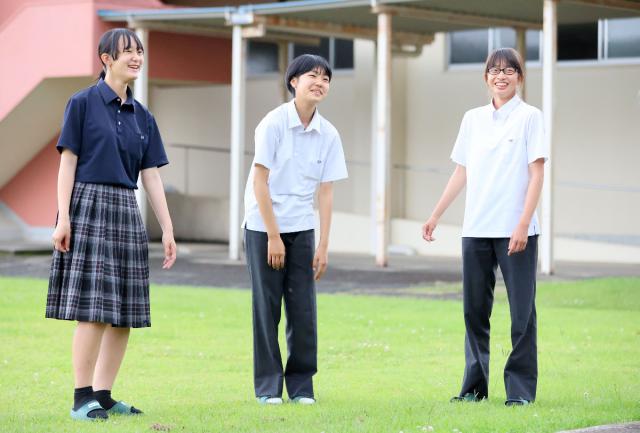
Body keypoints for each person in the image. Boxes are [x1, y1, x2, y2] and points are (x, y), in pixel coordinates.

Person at [46, 28, 177, 420]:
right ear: (106, 59)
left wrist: (167, 228)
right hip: (88, 206)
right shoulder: (82, 103)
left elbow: (150, 173)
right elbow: (67, 161)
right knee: (94, 309)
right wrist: (63, 216)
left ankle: (103, 395)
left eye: (139, 51)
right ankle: (80, 396)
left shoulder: (143, 115)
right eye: (127, 52)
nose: (136, 57)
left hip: (125, 209)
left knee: (124, 312)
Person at [422, 48, 547, 406]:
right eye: (494, 71)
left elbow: (537, 172)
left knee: (522, 313)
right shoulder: (472, 119)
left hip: (516, 230)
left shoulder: (529, 117)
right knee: (474, 311)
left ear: (520, 78)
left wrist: (523, 222)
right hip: (475, 228)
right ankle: (474, 388)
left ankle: (520, 392)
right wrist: (436, 214)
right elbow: (461, 171)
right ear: (486, 78)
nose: (501, 76)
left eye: (509, 70)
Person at [243, 54, 348, 405]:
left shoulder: (329, 133)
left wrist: (324, 245)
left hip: (303, 228)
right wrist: (273, 235)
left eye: (325, 78)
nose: (319, 83)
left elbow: (327, 192)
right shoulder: (272, 124)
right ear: (293, 82)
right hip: (263, 226)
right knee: (267, 308)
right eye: (311, 76)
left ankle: (302, 387)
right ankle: (268, 388)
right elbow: (260, 182)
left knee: (303, 310)